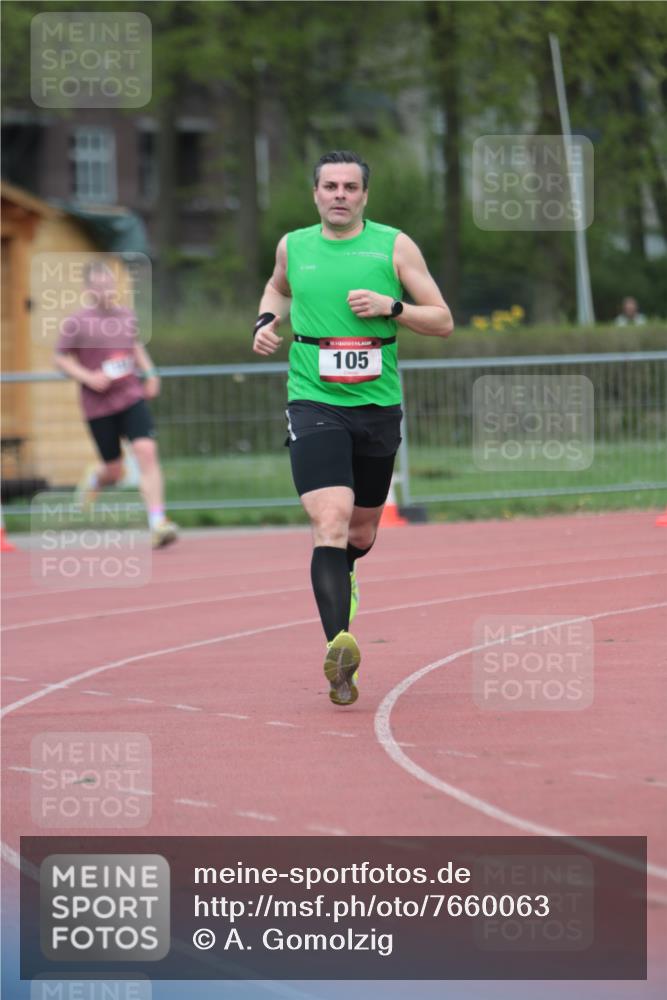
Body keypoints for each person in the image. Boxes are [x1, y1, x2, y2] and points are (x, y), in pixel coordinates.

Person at [253, 150, 453, 706]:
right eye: (329, 186)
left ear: (365, 196)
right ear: (315, 194)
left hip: (377, 406)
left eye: (350, 187)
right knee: (330, 519)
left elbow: (442, 320)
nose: (339, 194)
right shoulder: (294, 246)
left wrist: (392, 306)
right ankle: (339, 651)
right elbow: (278, 287)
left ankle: (347, 572)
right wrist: (266, 320)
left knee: (360, 532)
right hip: (313, 400)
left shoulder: (393, 245)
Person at [54, 259, 178, 549]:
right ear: (88, 289)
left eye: (109, 283)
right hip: (97, 404)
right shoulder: (77, 322)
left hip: (130, 396)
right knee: (115, 471)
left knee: (146, 451)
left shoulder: (126, 316)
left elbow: (134, 346)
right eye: (99, 285)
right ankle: (96, 479)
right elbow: (60, 358)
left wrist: (150, 372)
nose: (106, 289)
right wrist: (88, 376)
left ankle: (158, 522)